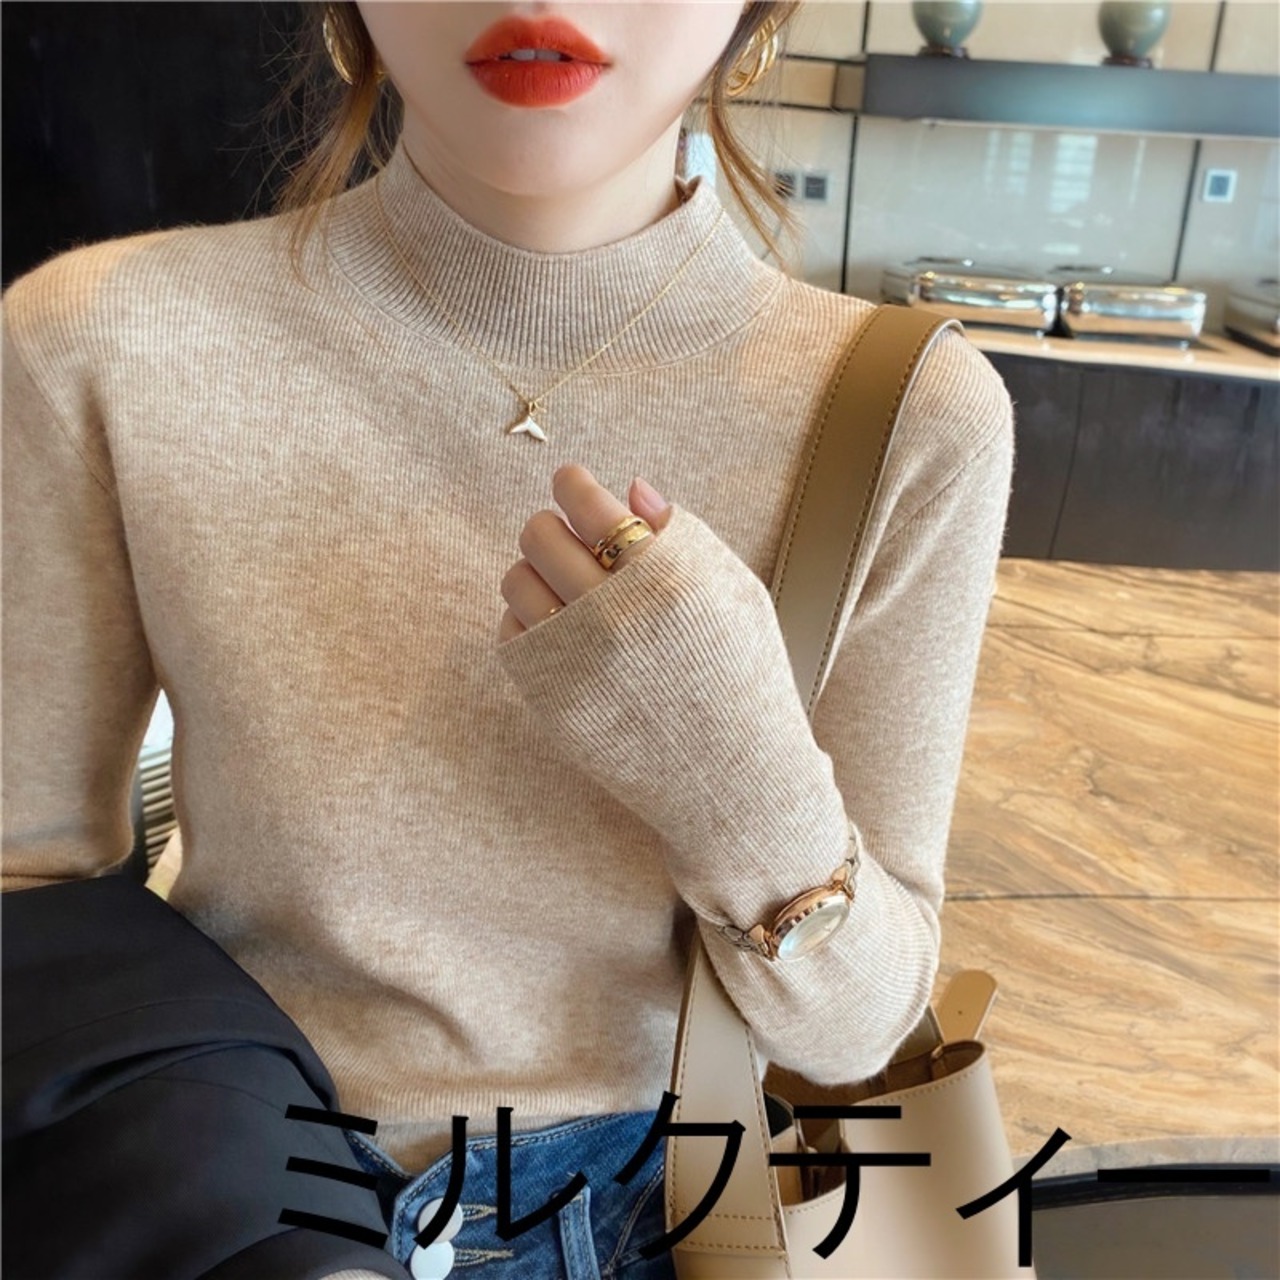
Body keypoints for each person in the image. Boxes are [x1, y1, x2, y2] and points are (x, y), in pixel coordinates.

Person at [1, 2, 1014, 1277]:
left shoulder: (901, 416)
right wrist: (240, 1211)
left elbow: (859, 1031)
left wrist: (733, 770)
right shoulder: (103, 338)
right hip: (223, 1198)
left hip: (671, 1221)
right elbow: (28, 891)